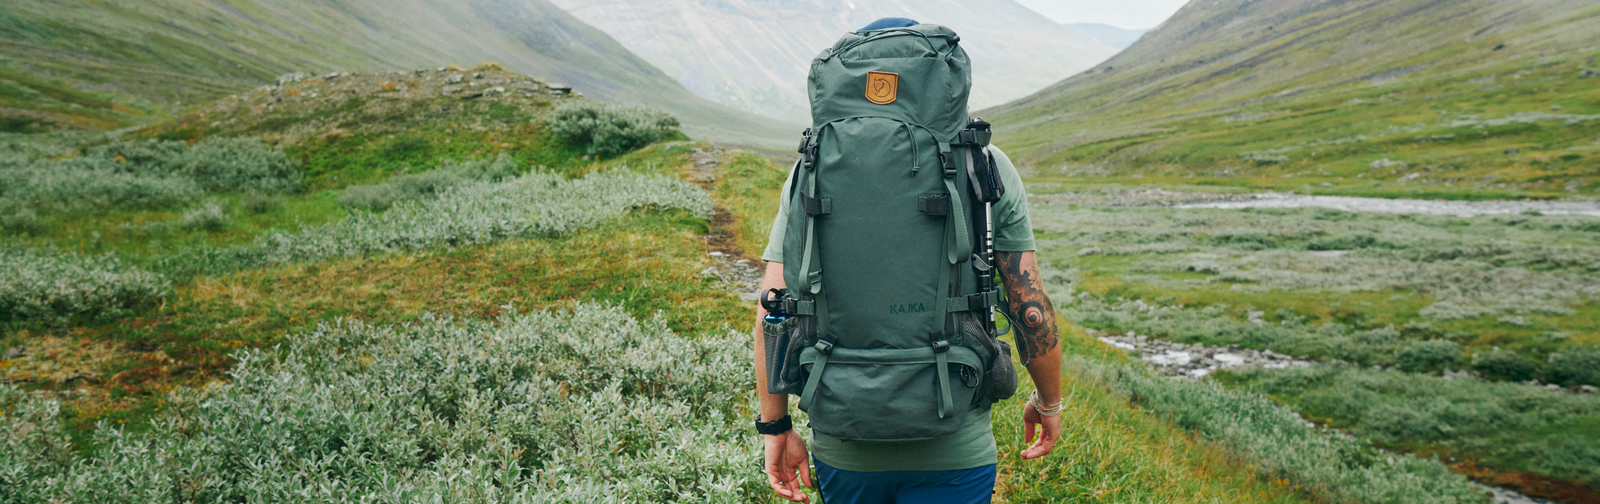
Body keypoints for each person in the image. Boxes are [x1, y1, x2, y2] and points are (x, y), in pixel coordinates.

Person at [751, 20, 1064, 504]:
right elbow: (1029, 303)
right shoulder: (987, 164)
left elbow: (773, 305)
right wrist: (1048, 401)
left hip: (844, 441)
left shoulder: (809, 169)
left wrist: (775, 426)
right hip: (956, 445)